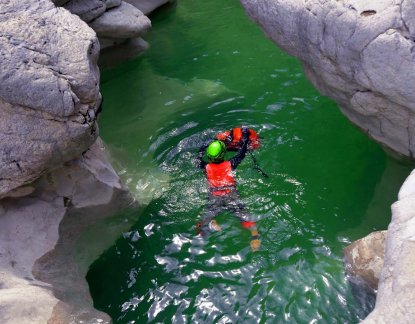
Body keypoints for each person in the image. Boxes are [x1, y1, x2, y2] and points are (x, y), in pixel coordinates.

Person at [196, 126, 261, 251]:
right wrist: (246, 137)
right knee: (245, 217)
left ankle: (209, 225)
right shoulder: (231, 164)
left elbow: (197, 159)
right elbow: (242, 153)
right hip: (231, 194)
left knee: (202, 222)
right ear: (224, 153)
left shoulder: (206, 167)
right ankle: (255, 237)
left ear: (209, 156)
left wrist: (204, 146)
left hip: (214, 196)